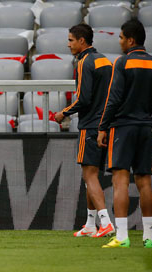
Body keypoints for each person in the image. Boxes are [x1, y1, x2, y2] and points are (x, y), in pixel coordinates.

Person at [97, 19, 152, 248]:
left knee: (120, 182)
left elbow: (114, 98)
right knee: (144, 182)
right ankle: (149, 237)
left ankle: (122, 236)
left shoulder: (123, 63)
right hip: (145, 128)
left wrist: (103, 127)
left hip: (123, 127)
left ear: (130, 40)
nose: (119, 42)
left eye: (120, 37)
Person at [54, 24, 115, 238]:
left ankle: (106, 222)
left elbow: (83, 98)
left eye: (71, 40)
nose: (68, 44)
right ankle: (90, 224)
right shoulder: (105, 60)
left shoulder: (83, 62)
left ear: (82, 41)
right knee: (93, 174)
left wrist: (64, 112)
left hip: (90, 124)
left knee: (89, 176)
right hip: (106, 125)